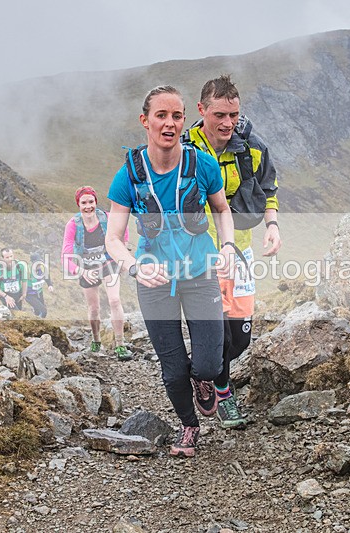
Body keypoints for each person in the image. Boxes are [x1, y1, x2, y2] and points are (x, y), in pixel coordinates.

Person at [105, 85, 236, 458]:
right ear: (145, 121)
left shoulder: (202, 165)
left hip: (200, 273)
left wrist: (227, 247)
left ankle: (204, 380)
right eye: (161, 116)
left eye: (177, 116)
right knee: (173, 368)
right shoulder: (128, 176)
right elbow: (114, 239)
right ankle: (189, 427)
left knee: (209, 362)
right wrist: (133, 267)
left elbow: (222, 211)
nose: (170, 123)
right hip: (154, 281)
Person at [182, 74, 281, 430]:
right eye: (220, 115)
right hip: (197, 256)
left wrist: (272, 225)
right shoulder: (184, 149)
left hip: (239, 252)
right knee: (217, 332)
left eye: (233, 115)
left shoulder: (250, 146)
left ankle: (206, 371)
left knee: (240, 338)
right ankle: (222, 390)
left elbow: (268, 188)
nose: (227, 123)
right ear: (201, 110)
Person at [62, 186, 131, 361]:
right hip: (86, 267)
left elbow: (123, 233)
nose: (88, 206)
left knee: (115, 300)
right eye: (83, 203)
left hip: (109, 262)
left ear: (96, 202)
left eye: (91, 202)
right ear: (78, 204)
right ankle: (96, 340)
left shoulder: (107, 218)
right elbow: (66, 255)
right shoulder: (73, 225)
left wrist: (124, 256)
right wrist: (81, 271)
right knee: (94, 308)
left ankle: (120, 345)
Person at [0, 248, 27, 312]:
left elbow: (24, 280)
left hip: (18, 294)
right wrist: (6, 296)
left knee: (19, 312)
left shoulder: (20, 266)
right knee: (16, 313)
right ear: (3, 258)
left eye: (11, 256)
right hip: (5, 294)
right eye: (7, 257)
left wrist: (24, 293)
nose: (10, 259)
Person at [24, 251, 54, 318]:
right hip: (29, 295)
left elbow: (46, 276)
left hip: (39, 293)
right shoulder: (27, 270)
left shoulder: (42, 267)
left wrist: (50, 285)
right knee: (43, 311)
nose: (38, 265)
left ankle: (35, 319)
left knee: (37, 312)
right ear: (32, 262)